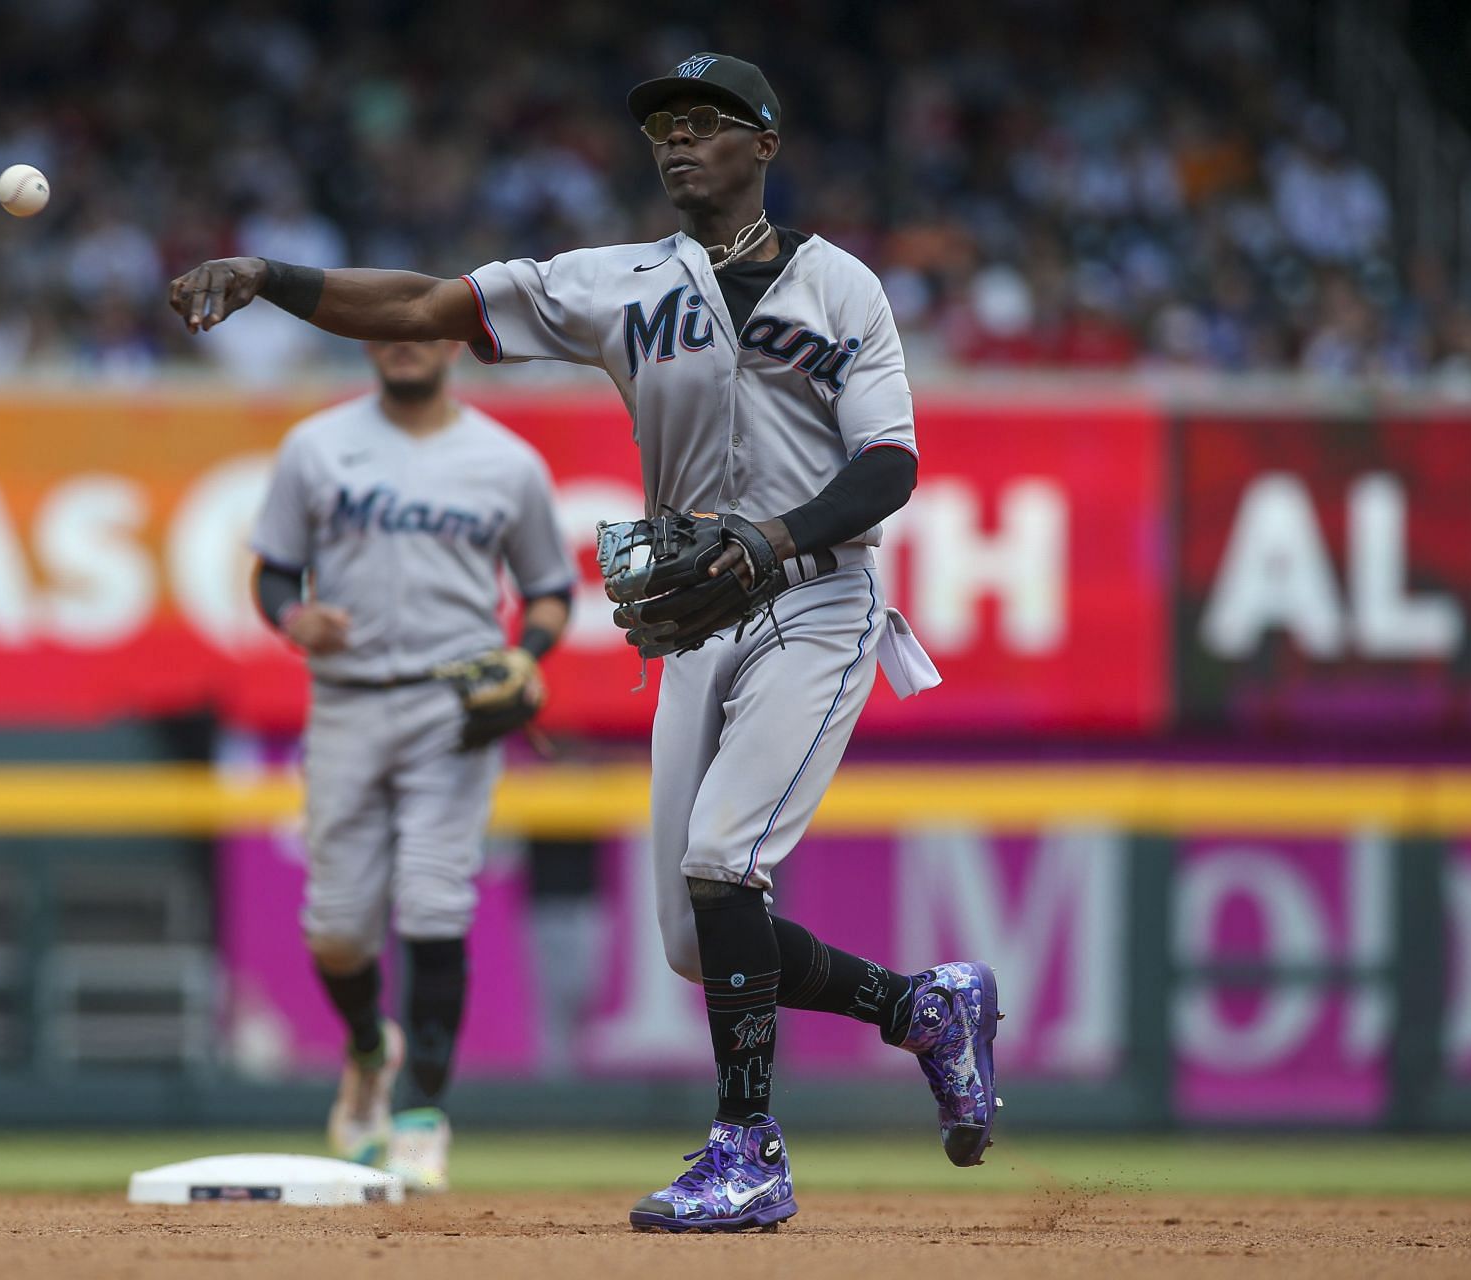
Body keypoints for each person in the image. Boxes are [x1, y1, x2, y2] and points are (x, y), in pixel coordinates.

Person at [176, 53, 998, 1231]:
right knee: (691, 935)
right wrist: (270, 277)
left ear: (765, 143)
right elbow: (423, 306)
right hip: (700, 615)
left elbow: (890, 465)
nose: (676, 142)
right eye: (663, 124)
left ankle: (747, 1147)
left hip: (818, 594)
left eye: (706, 123)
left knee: (722, 863)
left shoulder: (844, 288)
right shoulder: (614, 282)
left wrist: (772, 536)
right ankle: (923, 1004)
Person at [248, 337, 576, 1192]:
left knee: (436, 900)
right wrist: (293, 621)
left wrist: (528, 650)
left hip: (451, 704)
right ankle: (369, 1049)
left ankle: (422, 1114)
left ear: (452, 341)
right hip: (347, 700)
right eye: (387, 326)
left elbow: (551, 587)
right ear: (366, 343)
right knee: (337, 927)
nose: (403, 341)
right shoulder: (317, 446)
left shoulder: (506, 462)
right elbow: (275, 574)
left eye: (422, 324)